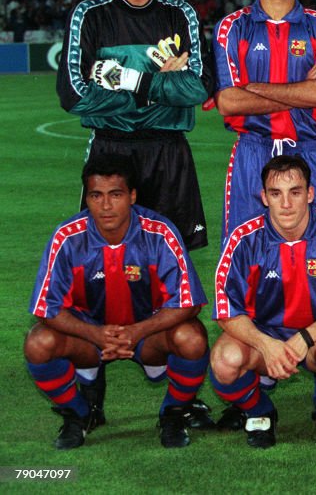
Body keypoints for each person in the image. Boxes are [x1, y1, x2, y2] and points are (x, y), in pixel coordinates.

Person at [24, 155, 213, 450]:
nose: (106, 205)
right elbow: (47, 308)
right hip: (89, 337)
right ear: (87, 198)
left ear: (132, 196)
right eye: (96, 196)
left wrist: (137, 331)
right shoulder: (67, 237)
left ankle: (173, 414)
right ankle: (79, 414)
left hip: (147, 336)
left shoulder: (160, 232)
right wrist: (96, 335)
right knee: (38, 343)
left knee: (192, 338)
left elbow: (189, 303)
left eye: (116, 195)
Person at [56, 0, 214, 250]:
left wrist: (128, 80)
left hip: (169, 154)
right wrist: (159, 89)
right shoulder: (90, 14)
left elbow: (199, 87)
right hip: (110, 151)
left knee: (172, 268)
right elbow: (73, 95)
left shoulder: (179, 13)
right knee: (106, 260)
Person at [209, 156, 316, 450]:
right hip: (266, 334)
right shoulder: (244, 238)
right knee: (224, 362)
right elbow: (226, 311)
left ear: (310, 194)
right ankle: (260, 412)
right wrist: (264, 344)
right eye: (276, 194)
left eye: (295, 192)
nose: (286, 203)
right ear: (264, 197)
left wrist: (305, 337)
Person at [213, 0, 316, 248]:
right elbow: (228, 102)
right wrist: (302, 91)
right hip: (252, 153)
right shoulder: (232, 27)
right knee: (246, 252)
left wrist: (253, 88)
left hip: (308, 150)